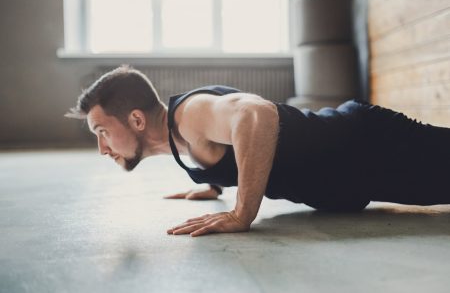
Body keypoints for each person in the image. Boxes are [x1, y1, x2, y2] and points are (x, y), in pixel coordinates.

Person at [66, 65, 450, 237]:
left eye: (102, 131)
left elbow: (257, 114)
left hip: (368, 147)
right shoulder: (177, 138)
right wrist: (214, 185)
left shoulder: (190, 114)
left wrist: (241, 213)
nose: (101, 148)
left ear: (135, 120)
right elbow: (224, 148)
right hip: (359, 177)